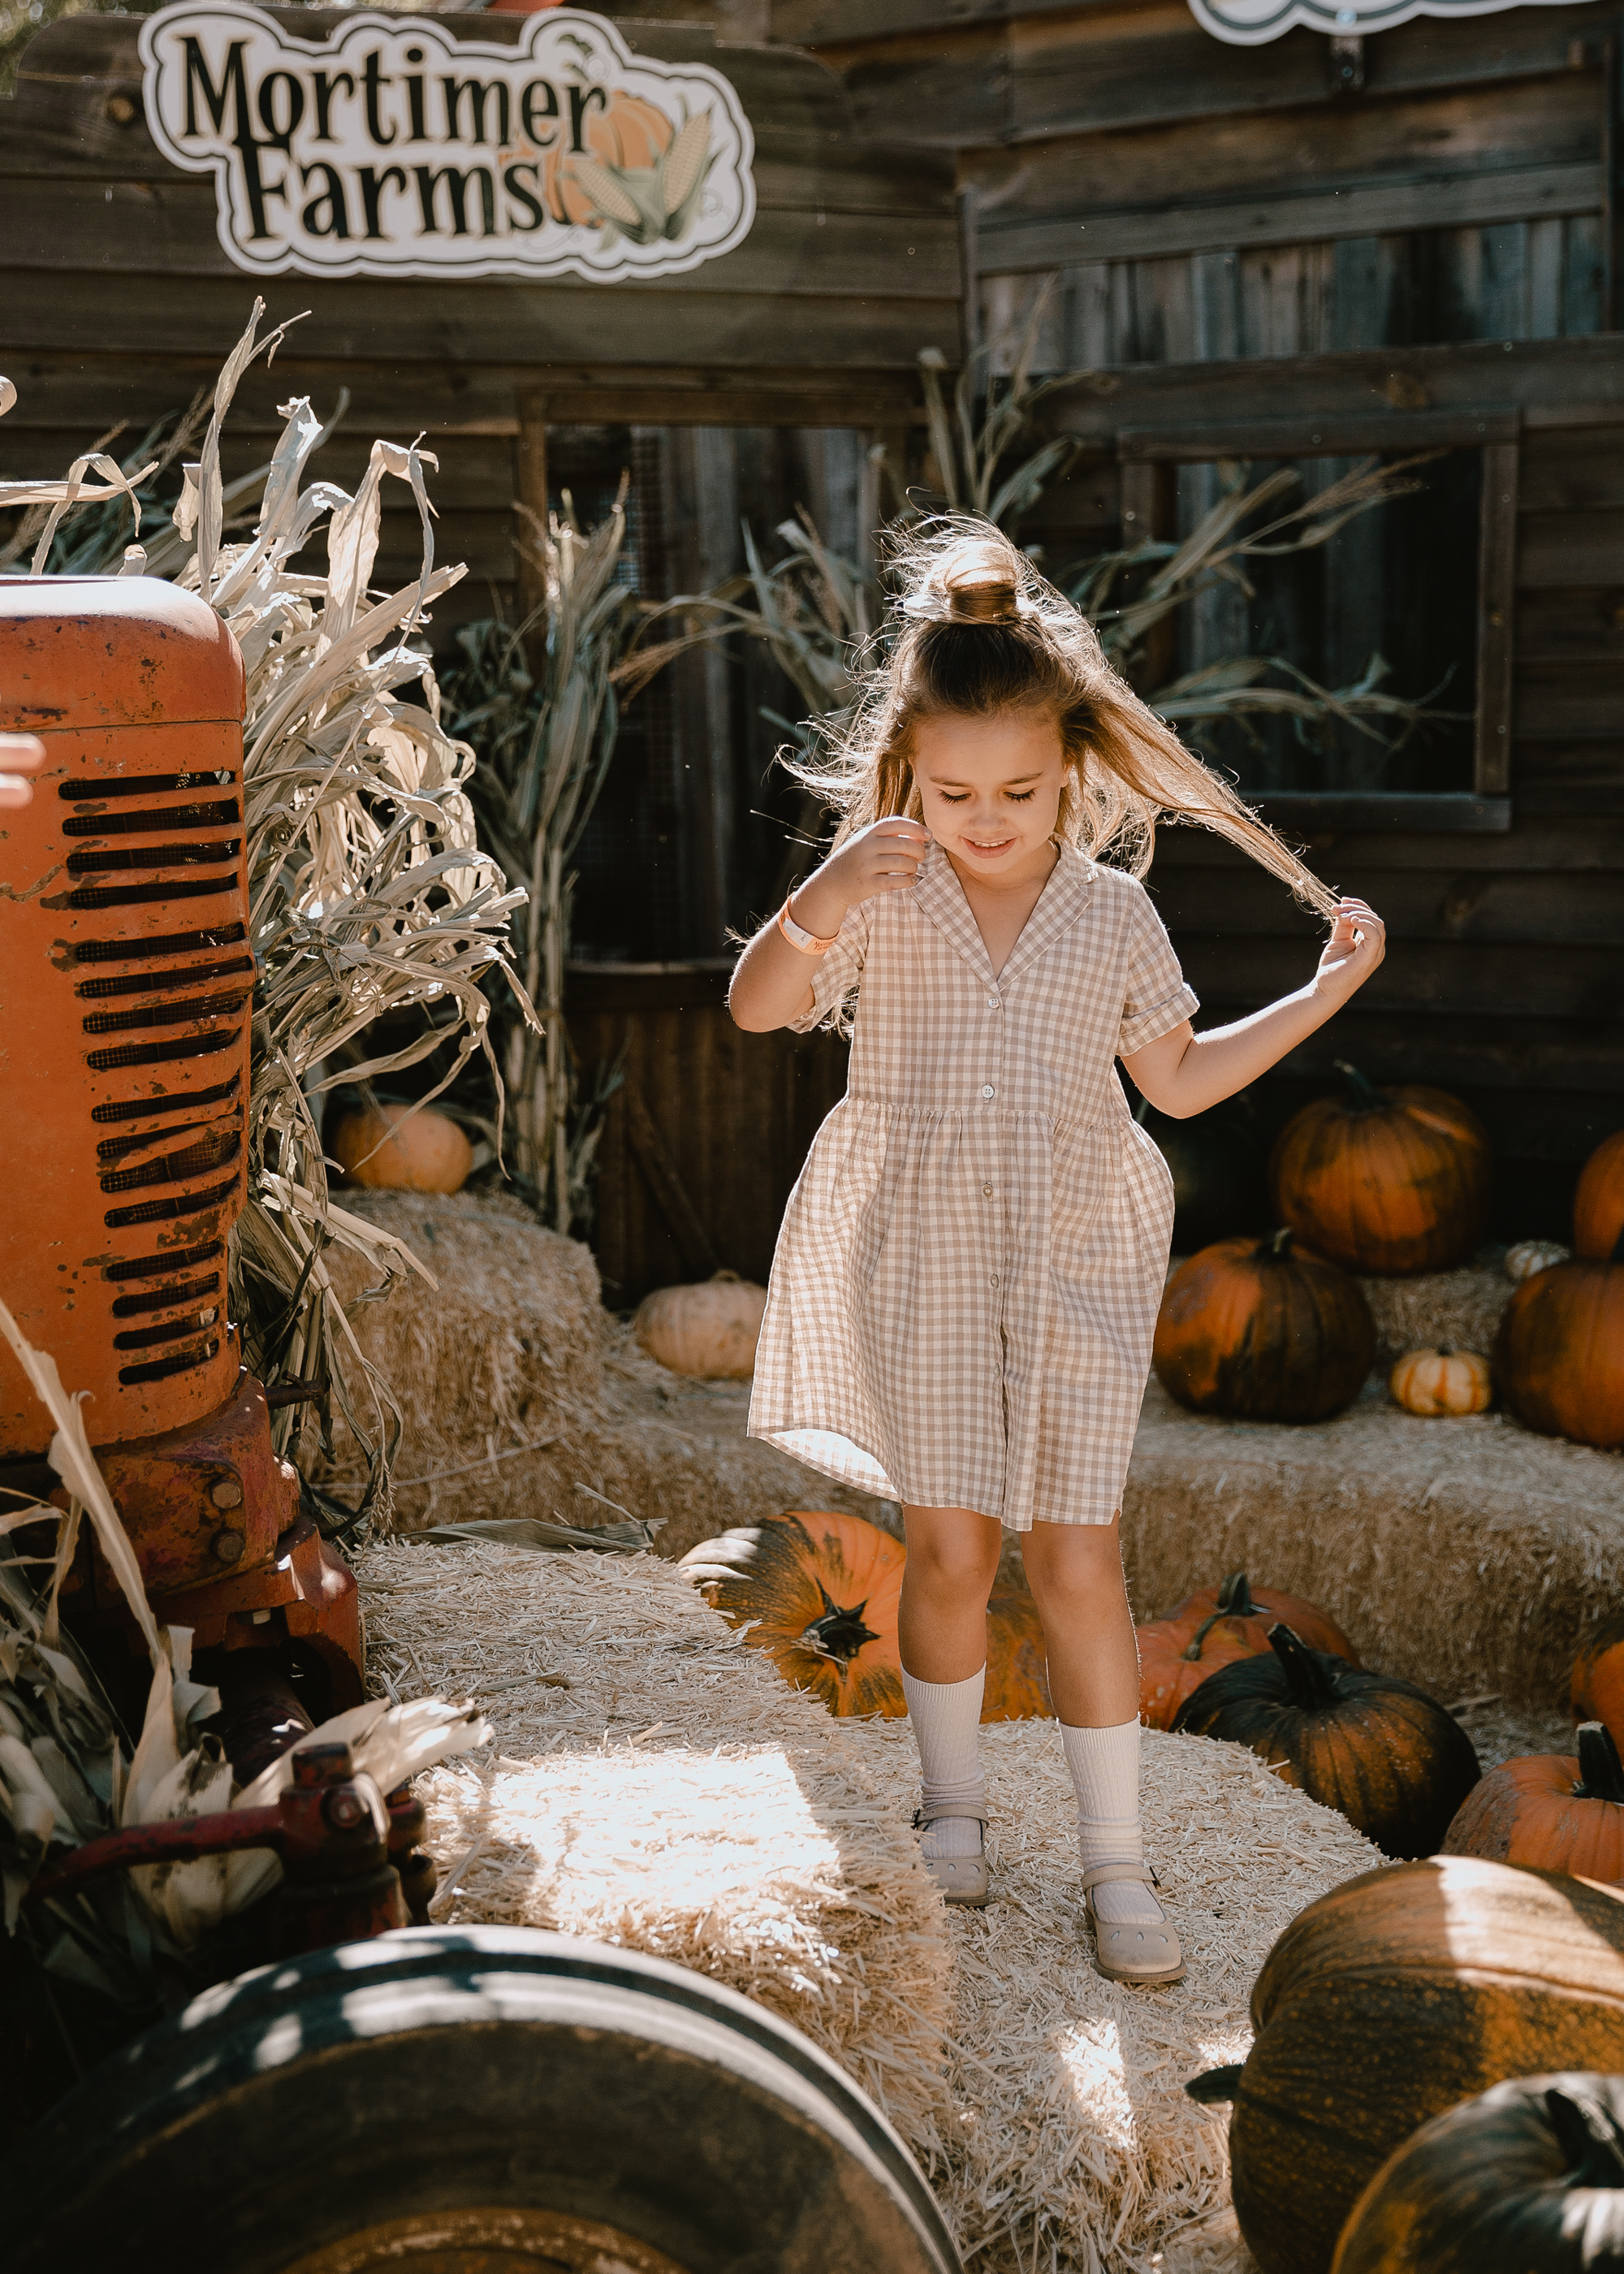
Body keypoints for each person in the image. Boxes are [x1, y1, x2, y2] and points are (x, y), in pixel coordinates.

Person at [728, 521, 1384, 1986]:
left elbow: (1183, 1081)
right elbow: (762, 1010)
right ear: (906, 777)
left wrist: (1324, 992)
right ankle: (952, 1812)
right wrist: (820, 893)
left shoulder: (1111, 915)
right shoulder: (880, 896)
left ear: (1073, 772)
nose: (987, 816)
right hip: (928, 1249)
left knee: (1080, 1557)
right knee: (953, 1549)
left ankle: (1115, 1863)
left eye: (1020, 790)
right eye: (952, 790)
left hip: (1079, 1245)